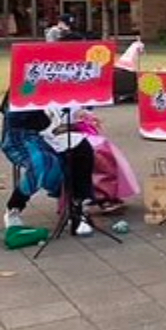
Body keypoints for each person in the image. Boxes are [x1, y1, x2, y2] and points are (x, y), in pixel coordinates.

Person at [2, 96, 97, 235]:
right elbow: (16, 118)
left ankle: (78, 208)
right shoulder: (23, 87)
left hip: (57, 132)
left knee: (83, 149)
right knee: (44, 163)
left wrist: (76, 118)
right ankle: (14, 207)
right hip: (24, 136)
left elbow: (76, 112)